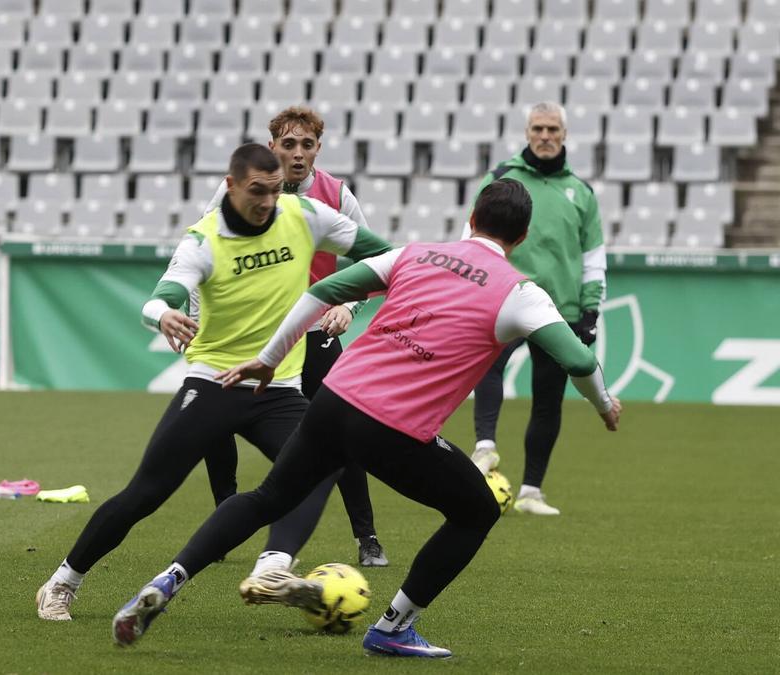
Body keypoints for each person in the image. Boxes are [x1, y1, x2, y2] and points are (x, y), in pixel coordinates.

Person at [110, 180, 621, 658]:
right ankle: (393, 628)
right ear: (523, 236)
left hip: (334, 401)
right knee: (477, 511)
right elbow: (577, 361)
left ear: (470, 218)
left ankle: (167, 580)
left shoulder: (414, 252)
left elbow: (323, 290)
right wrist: (603, 405)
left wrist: (269, 357)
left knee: (268, 497)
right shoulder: (520, 293)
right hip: (393, 429)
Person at [35, 143, 392, 621]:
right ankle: (63, 581)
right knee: (146, 494)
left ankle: (273, 567)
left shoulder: (305, 214)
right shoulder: (204, 239)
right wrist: (163, 315)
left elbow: (386, 255)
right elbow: (160, 297)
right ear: (231, 186)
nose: (267, 201)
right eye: (256, 191)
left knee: (324, 466)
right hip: (214, 384)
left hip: (278, 389)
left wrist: (344, 298)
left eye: (273, 189)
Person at [202, 105, 386, 567]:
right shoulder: (236, 191)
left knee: (343, 431)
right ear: (272, 148)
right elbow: (202, 246)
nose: (298, 154)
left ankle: (367, 537)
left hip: (316, 330)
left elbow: (376, 263)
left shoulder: (338, 196)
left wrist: (348, 304)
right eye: (289, 144)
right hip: (250, 332)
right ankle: (225, 520)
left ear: (318, 150)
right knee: (214, 418)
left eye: (307, 145)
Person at [468, 102, 608, 516]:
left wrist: (590, 312)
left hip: (557, 310)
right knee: (486, 369)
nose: (545, 136)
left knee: (548, 402)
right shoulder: (499, 179)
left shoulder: (581, 192)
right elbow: (470, 236)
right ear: (526, 133)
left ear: (564, 134)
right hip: (504, 300)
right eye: (537, 128)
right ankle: (485, 447)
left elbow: (594, 256)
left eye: (552, 129)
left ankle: (531, 492)